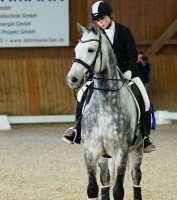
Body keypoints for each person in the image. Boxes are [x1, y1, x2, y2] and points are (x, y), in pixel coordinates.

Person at [62, 0, 155, 153]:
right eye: (98, 20)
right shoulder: (96, 35)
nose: (101, 22)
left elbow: (132, 54)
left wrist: (130, 70)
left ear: (110, 15)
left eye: (103, 19)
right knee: (81, 95)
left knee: (144, 99)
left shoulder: (124, 31)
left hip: (127, 73)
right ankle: (76, 130)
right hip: (102, 75)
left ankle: (146, 137)